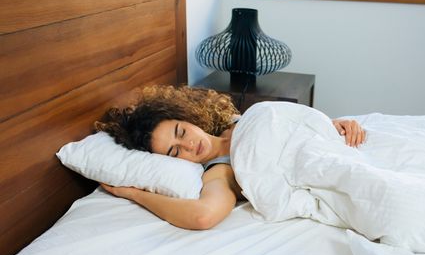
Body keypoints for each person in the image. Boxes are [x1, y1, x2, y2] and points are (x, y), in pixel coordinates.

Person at [96, 85, 366, 230]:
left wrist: (332, 124)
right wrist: (134, 194)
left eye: (181, 132)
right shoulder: (219, 172)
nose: (189, 145)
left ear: (186, 118)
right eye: (175, 152)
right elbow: (203, 216)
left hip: (340, 148)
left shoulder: (237, 121)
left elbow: (290, 124)